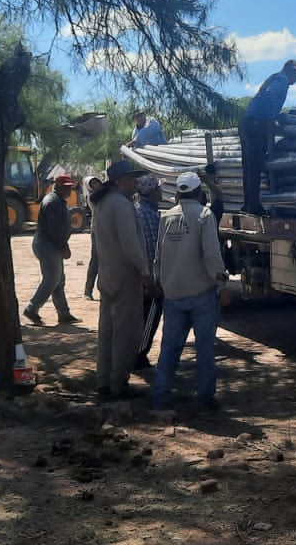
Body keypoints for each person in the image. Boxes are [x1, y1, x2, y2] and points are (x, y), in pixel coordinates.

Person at [151, 171, 228, 412]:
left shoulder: (166, 216)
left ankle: (160, 396)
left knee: (169, 348)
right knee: (204, 348)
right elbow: (211, 255)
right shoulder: (204, 216)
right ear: (198, 193)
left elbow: (158, 256)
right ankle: (204, 398)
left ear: (178, 193)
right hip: (201, 293)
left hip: (173, 293)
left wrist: (159, 283)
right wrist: (222, 283)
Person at [90, 160, 155, 400]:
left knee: (106, 331)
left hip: (107, 274)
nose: (136, 182)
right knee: (125, 333)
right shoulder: (122, 205)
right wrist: (145, 273)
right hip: (126, 275)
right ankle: (119, 383)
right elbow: (131, 245)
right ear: (120, 181)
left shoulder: (102, 203)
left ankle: (103, 381)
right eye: (132, 178)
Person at [240, 59, 296, 214]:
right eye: (295, 73)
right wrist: (272, 119)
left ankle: (249, 204)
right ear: (288, 70)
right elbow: (270, 97)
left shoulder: (275, 78)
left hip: (248, 122)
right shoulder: (282, 80)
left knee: (249, 167)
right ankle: (253, 207)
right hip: (256, 124)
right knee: (255, 166)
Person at [22, 176, 82, 327]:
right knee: (52, 280)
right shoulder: (53, 202)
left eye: (70, 186)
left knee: (58, 280)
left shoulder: (56, 200)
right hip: (49, 244)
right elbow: (54, 230)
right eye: (66, 186)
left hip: (49, 243)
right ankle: (32, 308)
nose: (69, 189)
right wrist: (63, 246)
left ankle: (64, 314)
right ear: (58, 186)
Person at [133, 175, 164, 369]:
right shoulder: (149, 215)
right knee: (151, 314)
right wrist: (152, 281)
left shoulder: (138, 210)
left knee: (140, 315)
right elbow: (153, 251)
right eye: (159, 189)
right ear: (151, 192)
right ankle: (140, 354)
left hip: (137, 274)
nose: (161, 191)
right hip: (149, 275)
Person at [82, 176, 104, 299]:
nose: (96, 184)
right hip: (97, 230)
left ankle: (102, 290)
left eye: (97, 182)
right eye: (93, 183)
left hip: (105, 229)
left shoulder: (101, 194)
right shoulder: (92, 197)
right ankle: (88, 290)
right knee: (95, 261)